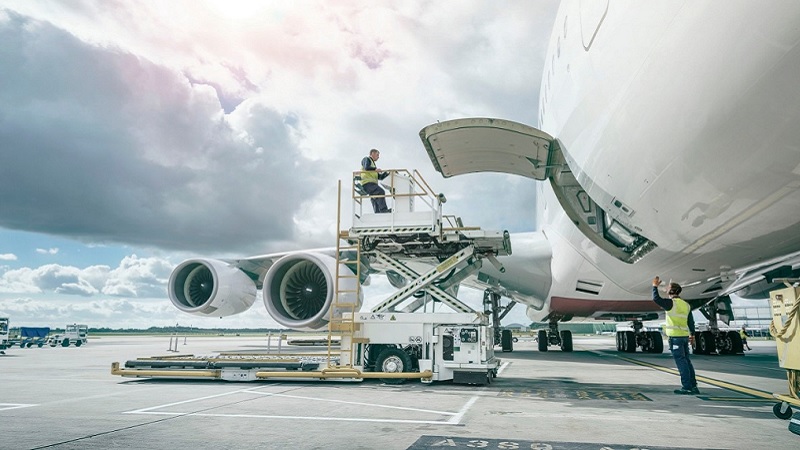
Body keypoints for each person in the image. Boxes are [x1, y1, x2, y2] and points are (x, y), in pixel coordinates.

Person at [652, 276, 699, 395]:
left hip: (675, 338)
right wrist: (693, 335)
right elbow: (691, 322)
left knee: (681, 362)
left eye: (668, 288)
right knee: (687, 361)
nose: (666, 289)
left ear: (671, 291)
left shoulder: (671, 303)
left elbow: (656, 299)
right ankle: (693, 386)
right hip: (684, 337)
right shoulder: (686, 305)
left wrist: (655, 286)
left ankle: (687, 387)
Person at [360, 148, 391, 213]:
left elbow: (378, 176)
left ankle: (377, 212)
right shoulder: (366, 159)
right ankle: (383, 210)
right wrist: (375, 169)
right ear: (372, 154)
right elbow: (366, 167)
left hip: (371, 184)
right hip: (367, 183)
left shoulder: (373, 165)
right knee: (380, 192)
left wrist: (386, 174)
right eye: (377, 155)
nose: (378, 157)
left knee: (375, 197)